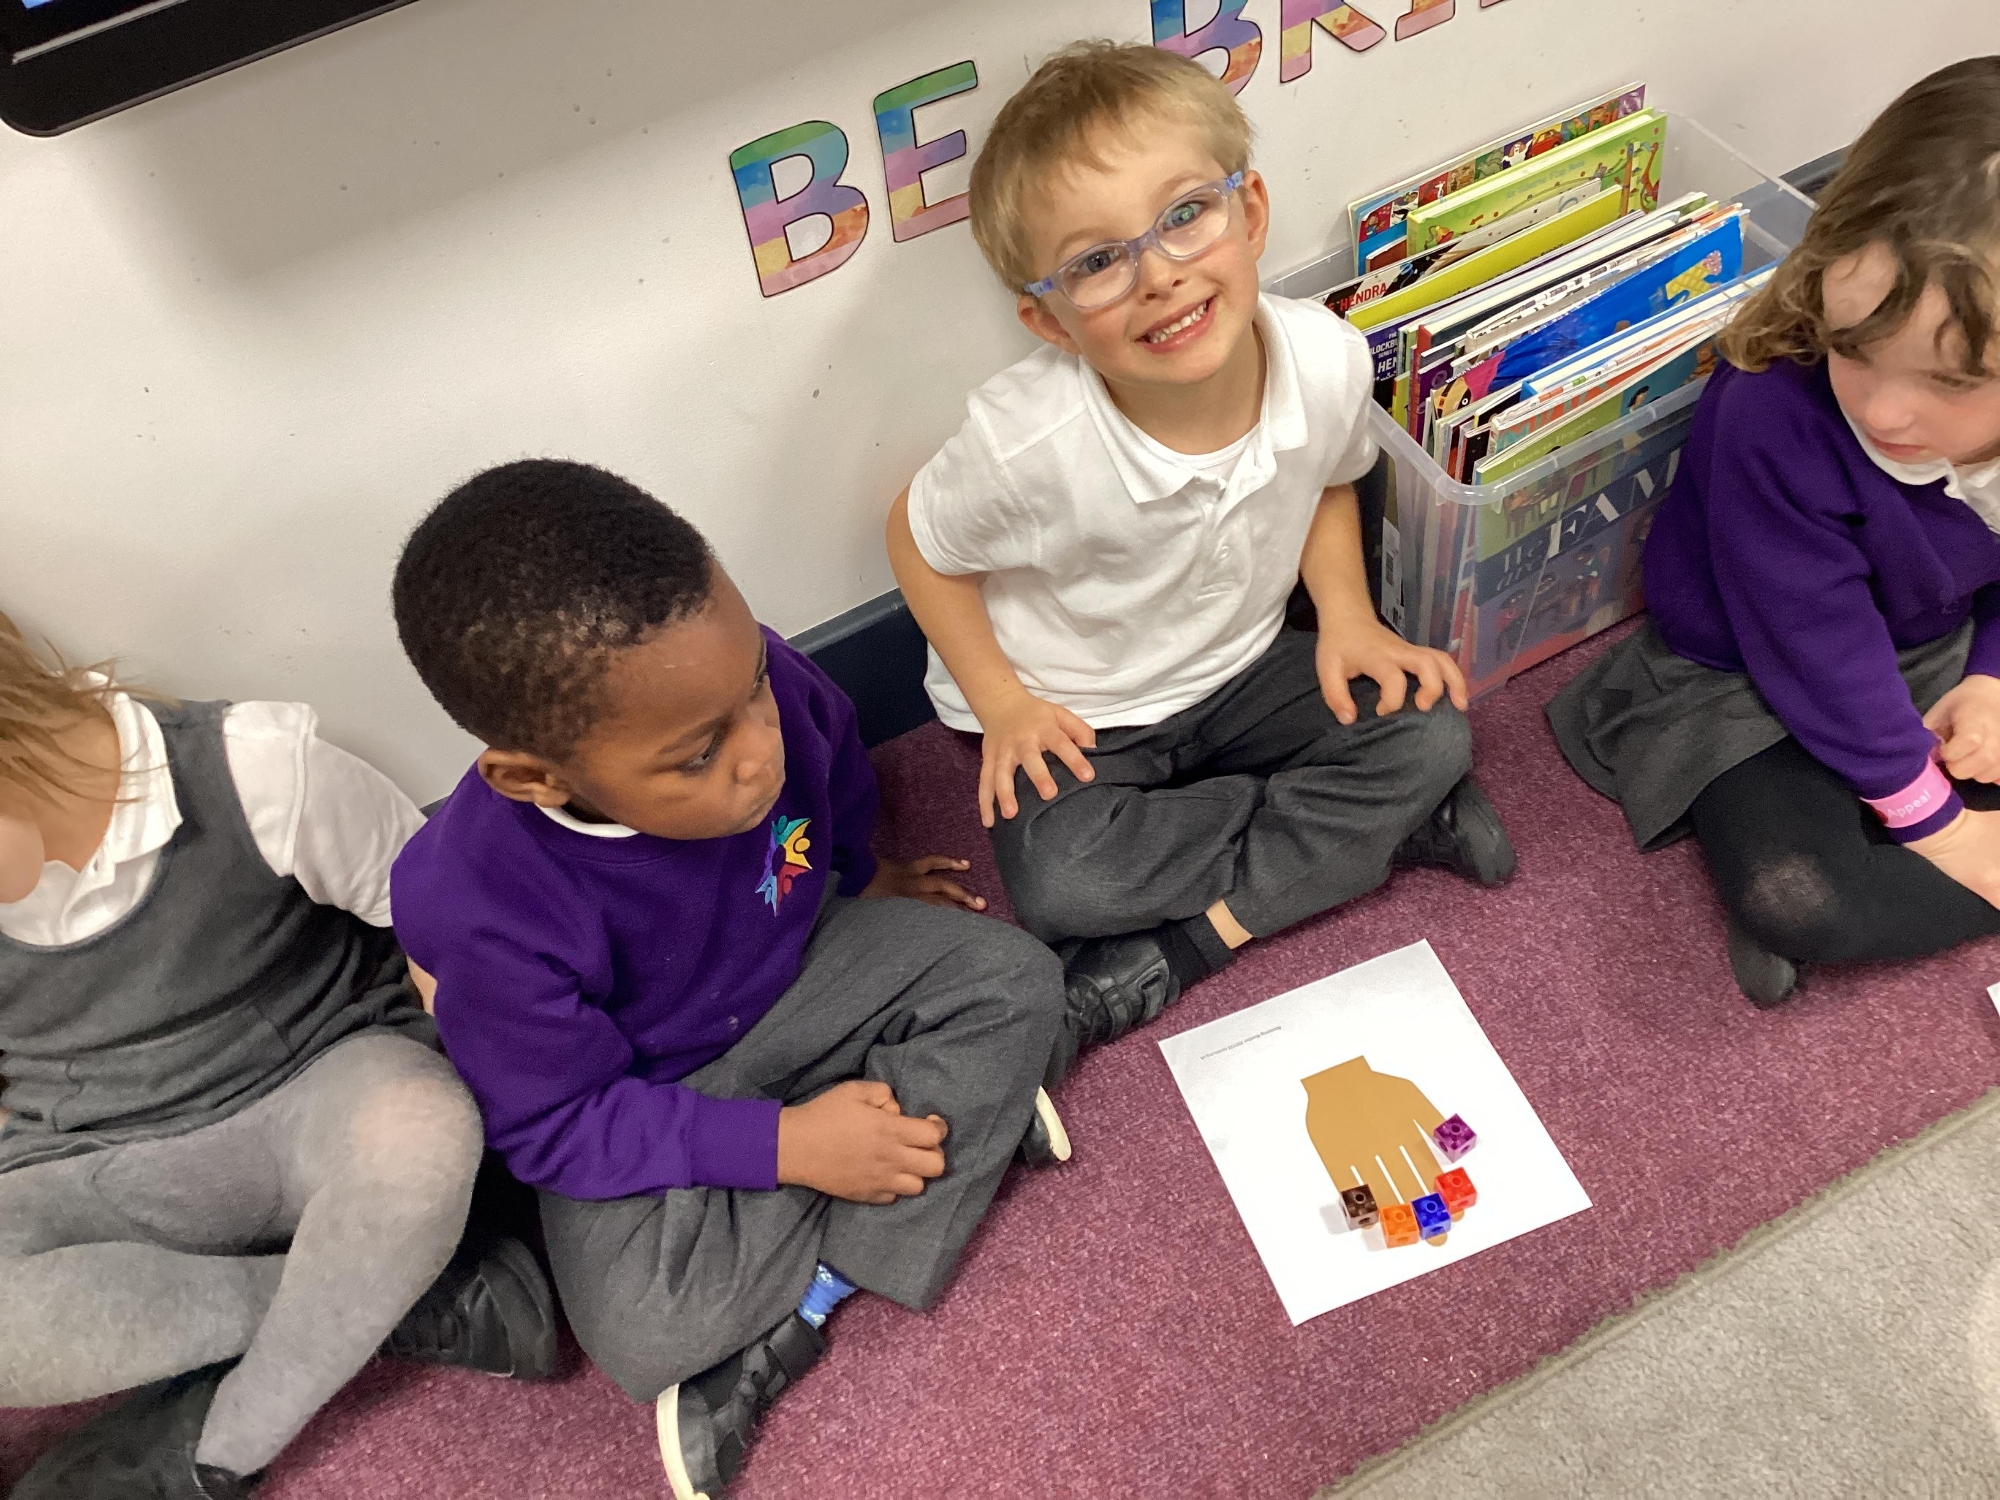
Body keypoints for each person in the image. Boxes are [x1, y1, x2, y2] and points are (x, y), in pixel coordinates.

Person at [388, 461, 1067, 1500]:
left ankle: (837, 1248)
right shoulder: (477, 905)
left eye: (751, 684)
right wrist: (788, 1146)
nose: (760, 751)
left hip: (796, 973)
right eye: (700, 755)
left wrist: (865, 874)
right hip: (647, 1086)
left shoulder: (766, 688)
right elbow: (557, 1128)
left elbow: (836, 769)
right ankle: (925, 1150)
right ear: (534, 778)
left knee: (1016, 979)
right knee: (641, 1330)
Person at [885, 40, 1514, 1080]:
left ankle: (1183, 949)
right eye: (1096, 262)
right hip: (1083, 713)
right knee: (1063, 884)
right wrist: (1001, 704)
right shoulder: (1026, 443)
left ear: (1249, 211)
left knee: (1431, 730)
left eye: (1185, 213)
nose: (1159, 274)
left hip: (1245, 666)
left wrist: (1348, 617)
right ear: (1047, 320)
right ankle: (1368, 838)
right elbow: (917, 541)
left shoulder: (1324, 355)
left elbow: (1327, 475)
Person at [0, 614, 555, 1500]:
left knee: (419, 1136)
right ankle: (397, 1302)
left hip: (310, 1091)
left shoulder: (253, 769)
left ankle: (221, 1446)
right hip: (88, 1161)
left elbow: (441, 923)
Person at [1549, 57, 2000, 1007]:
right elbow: (1814, 641)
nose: (1886, 411)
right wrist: (1937, 822)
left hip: (1943, 638)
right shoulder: (1771, 408)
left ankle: (1892, 866)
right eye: (1854, 347)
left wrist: (1993, 681)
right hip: (1746, 675)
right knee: (1795, 895)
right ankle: (1881, 871)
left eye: (1949, 383)